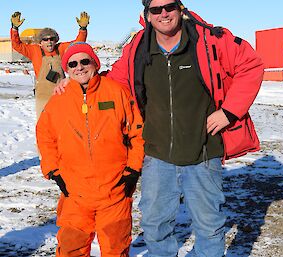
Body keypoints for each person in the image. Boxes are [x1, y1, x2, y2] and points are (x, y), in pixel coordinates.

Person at [54, 0, 264, 256]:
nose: (163, 13)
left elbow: (250, 65)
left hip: (204, 151)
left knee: (209, 226)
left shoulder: (209, 40)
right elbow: (115, 82)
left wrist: (229, 111)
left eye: (169, 6)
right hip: (156, 154)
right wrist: (78, 80)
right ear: (147, 15)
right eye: (156, 9)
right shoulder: (138, 49)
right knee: (155, 226)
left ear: (180, 8)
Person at [36, 42, 144, 257]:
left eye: (85, 61)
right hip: (75, 192)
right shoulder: (59, 99)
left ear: (95, 63)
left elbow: (137, 133)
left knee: (116, 247)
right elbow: (45, 136)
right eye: (73, 63)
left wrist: (133, 169)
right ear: (67, 69)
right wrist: (53, 171)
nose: (79, 67)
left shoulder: (116, 92)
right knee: (70, 248)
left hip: (114, 190)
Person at [10, 11, 90, 118]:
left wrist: (83, 29)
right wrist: (14, 28)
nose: (49, 42)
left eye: (52, 39)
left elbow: (78, 43)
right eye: (45, 39)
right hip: (42, 95)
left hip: (61, 92)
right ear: (40, 42)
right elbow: (17, 45)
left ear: (56, 40)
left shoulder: (61, 49)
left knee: (62, 121)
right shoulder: (34, 51)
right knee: (44, 122)